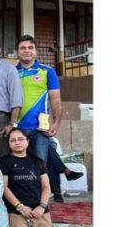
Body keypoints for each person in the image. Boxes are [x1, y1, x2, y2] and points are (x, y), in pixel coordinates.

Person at [14, 35, 81, 202]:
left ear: (36, 51)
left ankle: (40, 203)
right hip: (16, 128)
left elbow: (55, 99)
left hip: (39, 128)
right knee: (18, 165)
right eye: (23, 48)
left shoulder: (47, 71)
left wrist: (57, 123)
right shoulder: (11, 72)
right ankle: (21, 199)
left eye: (30, 48)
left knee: (40, 165)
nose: (27, 51)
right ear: (17, 52)